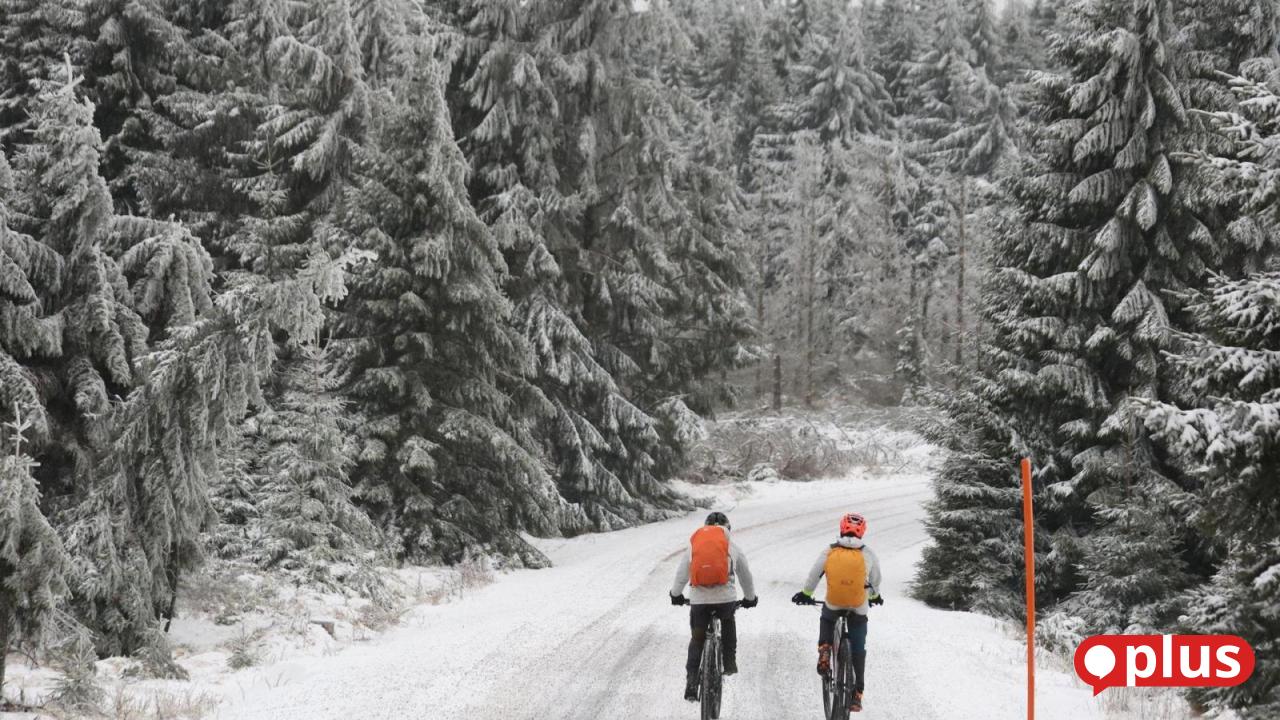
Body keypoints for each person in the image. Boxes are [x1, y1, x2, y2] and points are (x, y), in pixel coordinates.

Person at [791, 512, 883, 713]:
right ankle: (857, 693)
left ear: (842, 528)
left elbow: (815, 573)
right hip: (858, 606)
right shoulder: (868, 553)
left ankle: (825, 648)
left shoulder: (830, 550)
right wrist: (875, 596)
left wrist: (806, 593)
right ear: (862, 532)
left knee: (827, 617)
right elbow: (875, 579)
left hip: (834, 603)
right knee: (858, 647)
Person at [670, 511, 758, 702]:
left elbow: (682, 573)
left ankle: (692, 680)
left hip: (699, 601)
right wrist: (750, 598)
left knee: (697, 637)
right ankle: (729, 661)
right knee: (727, 620)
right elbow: (745, 576)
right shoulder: (732, 546)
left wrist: (676, 595)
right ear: (728, 529)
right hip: (725, 599)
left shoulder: (694, 545)